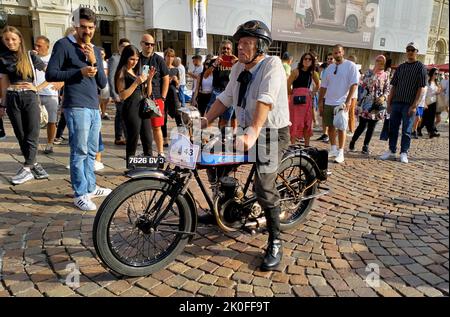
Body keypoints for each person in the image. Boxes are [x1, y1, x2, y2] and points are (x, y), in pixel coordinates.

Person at [201, 20, 290, 271]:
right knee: (211, 158)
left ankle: (275, 241)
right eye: (239, 43)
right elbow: (226, 97)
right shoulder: (238, 67)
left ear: (261, 47)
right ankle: (225, 205)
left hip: (271, 133)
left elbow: (265, 100)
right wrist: (204, 119)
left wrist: (252, 133)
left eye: (247, 43)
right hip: (245, 130)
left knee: (264, 186)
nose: (241, 48)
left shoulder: (272, 65)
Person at [46, 7, 112, 211]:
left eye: (91, 27)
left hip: (93, 105)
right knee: (80, 150)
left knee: (92, 151)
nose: (87, 31)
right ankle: (80, 193)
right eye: (83, 27)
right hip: (75, 105)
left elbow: (102, 82)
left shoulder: (95, 49)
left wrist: (93, 60)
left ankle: (90, 187)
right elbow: (51, 74)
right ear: (76, 25)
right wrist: (79, 72)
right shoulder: (64, 45)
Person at [0, 26, 49, 185]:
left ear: (20, 39)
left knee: (32, 133)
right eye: (7, 39)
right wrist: (2, 104)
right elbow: (4, 82)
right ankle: (33, 165)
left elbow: (51, 73)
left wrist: (37, 88)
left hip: (30, 97)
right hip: (13, 97)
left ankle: (27, 168)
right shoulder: (2, 58)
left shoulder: (30, 56)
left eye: (13, 39)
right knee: (20, 134)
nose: (10, 42)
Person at [380, 42, 427, 164]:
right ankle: (391, 150)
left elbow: (421, 88)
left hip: (409, 104)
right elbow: (393, 86)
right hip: (396, 103)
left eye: (413, 50)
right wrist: (389, 103)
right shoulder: (401, 67)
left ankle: (404, 152)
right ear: (406, 51)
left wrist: (414, 105)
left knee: (406, 130)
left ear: (417, 52)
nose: (410, 52)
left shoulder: (420, 67)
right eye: (408, 49)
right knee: (393, 128)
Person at [115, 45, 154, 168]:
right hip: (131, 108)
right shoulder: (122, 72)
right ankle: (130, 166)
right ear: (126, 58)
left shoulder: (137, 71)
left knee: (148, 137)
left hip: (143, 107)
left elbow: (148, 93)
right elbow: (122, 96)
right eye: (132, 59)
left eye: (137, 59)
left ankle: (149, 165)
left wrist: (148, 80)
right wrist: (136, 82)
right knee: (133, 138)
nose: (135, 62)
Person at [318, 44, 359, 164]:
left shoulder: (350, 66)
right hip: (329, 101)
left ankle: (341, 152)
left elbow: (354, 84)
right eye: (335, 53)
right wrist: (320, 101)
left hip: (341, 102)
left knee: (341, 127)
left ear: (343, 52)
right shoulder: (329, 68)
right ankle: (333, 148)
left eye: (339, 52)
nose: (337, 55)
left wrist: (348, 101)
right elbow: (323, 86)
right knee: (330, 127)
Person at [349, 55, 390, 154]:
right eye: (377, 60)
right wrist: (373, 74)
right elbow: (363, 85)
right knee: (362, 125)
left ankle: (365, 146)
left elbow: (387, 89)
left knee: (372, 126)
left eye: (381, 61)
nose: (379, 62)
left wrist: (383, 97)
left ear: (384, 63)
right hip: (366, 103)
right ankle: (353, 142)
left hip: (378, 104)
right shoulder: (368, 72)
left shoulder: (386, 75)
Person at [137, 34, 169, 160]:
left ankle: (160, 152)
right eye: (147, 43)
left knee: (156, 126)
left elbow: (165, 78)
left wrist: (163, 97)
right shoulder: (137, 58)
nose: (149, 46)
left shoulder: (158, 59)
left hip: (155, 98)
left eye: (152, 44)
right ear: (141, 44)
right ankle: (147, 153)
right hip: (139, 97)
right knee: (143, 128)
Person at [33, 36, 64, 154]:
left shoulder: (53, 58)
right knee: (34, 122)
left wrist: (61, 83)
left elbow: (57, 74)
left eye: (39, 45)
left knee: (52, 121)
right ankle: (33, 145)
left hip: (51, 94)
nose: (36, 47)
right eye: (35, 45)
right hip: (35, 94)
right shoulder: (32, 58)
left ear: (47, 46)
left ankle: (49, 143)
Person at [287, 52, 320, 146]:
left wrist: (312, 93)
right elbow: (288, 85)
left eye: (310, 59)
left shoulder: (312, 73)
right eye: (305, 59)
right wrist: (292, 93)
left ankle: (307, 145)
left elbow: (318, 84)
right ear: (302, 60)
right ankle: (293, 145)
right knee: (294, 121)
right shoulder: (295, 71)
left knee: (307, 122)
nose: (307, 61)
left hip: (307, 102)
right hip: (295, 102)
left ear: (312, 61)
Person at [204, 40, 238, 129]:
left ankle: (222, 138)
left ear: (231, 50)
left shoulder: (236, 62)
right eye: (224, 48)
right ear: (220, 49)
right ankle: (206, 138)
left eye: (228, 48)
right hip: (216, 91)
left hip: (229, 93)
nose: (226, 50)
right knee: (209, 117)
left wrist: (237, 63)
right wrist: (215, 64)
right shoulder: (214, 61)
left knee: (225, 119)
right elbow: (205, 75)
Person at [108, 38, 130, 145]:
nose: (126, 49)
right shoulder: (115, 59)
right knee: (123, 114)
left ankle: (119, 137)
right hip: (118, 92)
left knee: (120, 115)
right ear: (119, 47)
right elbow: (111, 77)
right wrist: (114, 94)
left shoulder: (127, 59)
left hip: (126, 92)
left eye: (127, 47)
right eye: (123, 47)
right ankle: (125, 137)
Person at [162, 48, 182, 147]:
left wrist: (176, 80)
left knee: (178, 116)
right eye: (168, 56)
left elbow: (178, 85)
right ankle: (165, 139)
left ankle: (181, 138)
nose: (170, 58)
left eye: (172, 56)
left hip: (173, 95)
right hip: (164, 95)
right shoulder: (162, 68)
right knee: (163, 117)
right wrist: (167, 80)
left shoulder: (175, 69)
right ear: (165, 56)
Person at [316, 53, 334, 143]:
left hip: (332, 97)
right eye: (328, 59)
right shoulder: (325, 70)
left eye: (331, 59)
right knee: (323, 115)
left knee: (330, 117)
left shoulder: (336, 70)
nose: (329, 60)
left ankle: (330, 135)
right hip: (324, 95)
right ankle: (324, 133)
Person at [419, 68, 441, 138]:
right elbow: (425, 93)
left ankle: (431, 132)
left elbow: (436, 92)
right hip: (427, 103)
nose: (437, 75)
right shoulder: (427, 83)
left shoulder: (436, 83)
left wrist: (438, 92)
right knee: (425, 118)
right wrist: (424, 103)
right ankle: (419, 128)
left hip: (434, 103)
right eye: (435, 73)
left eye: (438, 74)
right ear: (431, 74)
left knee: (431, 118)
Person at [347, 55, 360, 135]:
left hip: (353, 95)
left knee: (351, 112)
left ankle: (352, 130)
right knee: (345, 112)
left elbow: (354, 83)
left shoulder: (356, 71)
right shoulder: (348, 70)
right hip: (346, 95)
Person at [99, 47, 111, 120]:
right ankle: (100, 113)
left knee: (106, 99)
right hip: (97, 82)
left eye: (102, 54)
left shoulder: (107, 63)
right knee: (98, 98)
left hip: (106, 82)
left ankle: (103, 112)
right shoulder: (95, 62)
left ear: (105, 54)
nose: (101, 55)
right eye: (100, 54)